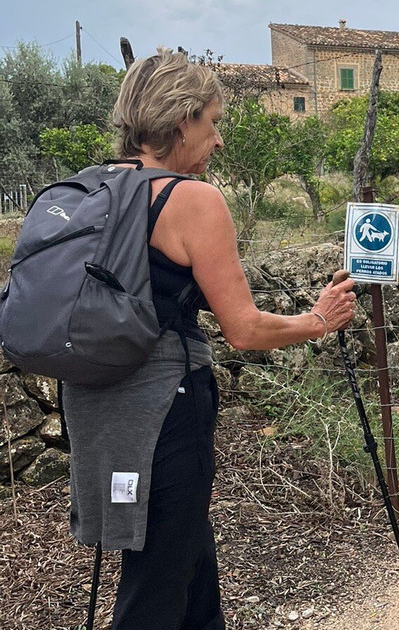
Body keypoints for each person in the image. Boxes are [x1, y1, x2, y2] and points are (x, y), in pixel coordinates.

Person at [61, 48, 357, 630]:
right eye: (213, 122)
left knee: (186, 553)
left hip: (94, 400)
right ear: (181, 123)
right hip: (165, 408)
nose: (219, 140)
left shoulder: (87, 190)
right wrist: (319, 320)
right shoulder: (191, 199)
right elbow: (244, 329)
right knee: (157, 580)